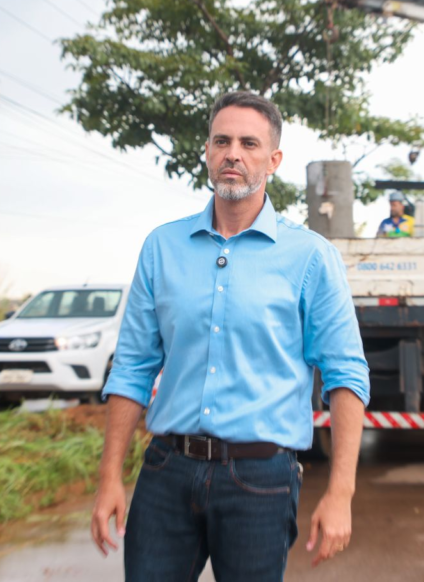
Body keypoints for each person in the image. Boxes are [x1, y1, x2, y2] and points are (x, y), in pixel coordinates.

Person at [91, 91, 371, 581]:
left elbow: (345, 375)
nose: (233, 154)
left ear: (273, 159)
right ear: (207, 152)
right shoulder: (162, 247)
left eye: (248, 143)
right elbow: (132, 366)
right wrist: (109, 476)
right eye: (221, 141)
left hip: (260, 481)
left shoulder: (310, 257)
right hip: (166, 472)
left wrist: (340, 492)